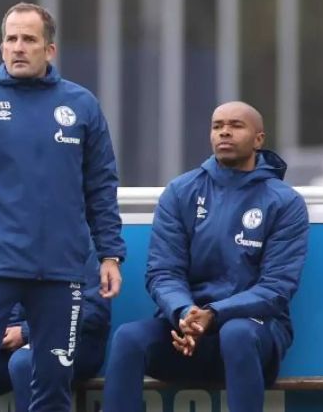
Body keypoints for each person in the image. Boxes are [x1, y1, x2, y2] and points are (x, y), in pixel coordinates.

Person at [0, 2, 125, 412]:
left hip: (62, 274)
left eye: (29, 39)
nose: (19, 47)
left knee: (53, 385)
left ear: (49, 50)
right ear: (2, 46)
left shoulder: (82, 105)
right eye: (11, 39)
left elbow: (101, 187)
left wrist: (109, 254)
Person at [101, 101, 309, 412]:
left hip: (254, 334)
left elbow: (277, 288)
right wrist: (185, 313)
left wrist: (214, 314)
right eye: (217, 125)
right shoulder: (181, 191)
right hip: (187, 332)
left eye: (236, 125)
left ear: (258, 139)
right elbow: (163, 273)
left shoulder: (284, 202)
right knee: (129, 338)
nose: (225, 131)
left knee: (236, 333)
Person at [0, 253, 110, 412]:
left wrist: (25, 332)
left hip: (74, 341)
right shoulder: (11, 245)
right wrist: (0, 330)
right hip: (19, 343)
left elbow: (94, 312)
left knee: (24, 363)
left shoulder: (80, 245)